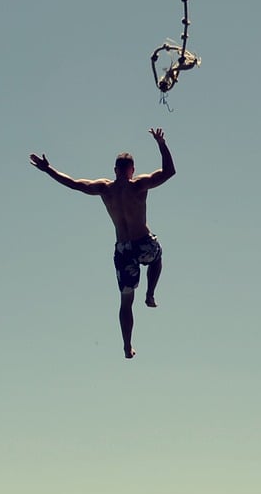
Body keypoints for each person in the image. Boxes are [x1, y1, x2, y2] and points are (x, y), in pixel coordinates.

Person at [29, 128, 174, 359]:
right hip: (142, 243)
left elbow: (75, 184)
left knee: (126, 301)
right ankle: (150, 294)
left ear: (115, 170)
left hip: (124, 249)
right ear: (132, 170)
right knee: (157, 255)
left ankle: (127, 345)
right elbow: (169, 172)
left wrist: (49, 170)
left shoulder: (105, 188)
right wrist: (161, 143)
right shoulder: (139, 185)